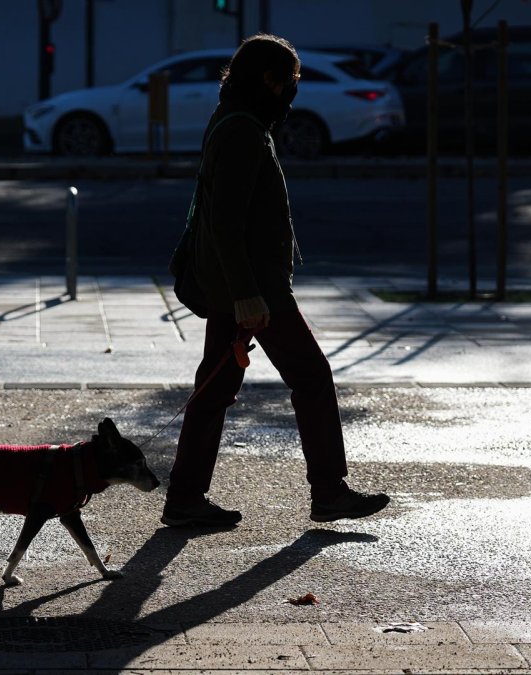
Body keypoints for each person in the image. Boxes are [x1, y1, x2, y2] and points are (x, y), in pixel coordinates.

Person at [161, 34, 391, 528]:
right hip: (254, 289)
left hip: (237, 284)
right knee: (311, 376)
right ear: (269, 80)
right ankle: (328, 491)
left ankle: (184, 497)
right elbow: (225, 221)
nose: (294, 90)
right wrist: (247, 294)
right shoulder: (244, 130)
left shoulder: (233, 118)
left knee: (215, 388)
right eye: (292, 80)